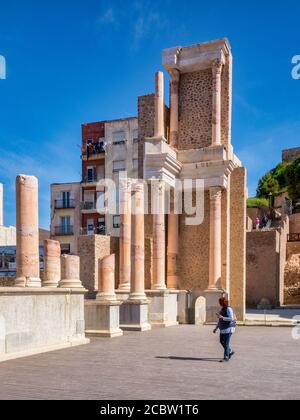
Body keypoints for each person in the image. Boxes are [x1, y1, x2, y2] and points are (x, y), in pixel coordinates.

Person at [213, 297, 236, 362]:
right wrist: (216, 328)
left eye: (220, 302)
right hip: (223, 328)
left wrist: (222, 317)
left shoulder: (229, 309)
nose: (219, 303)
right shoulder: (222, 309)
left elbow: (231, 318)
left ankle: (226, 357)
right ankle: (230, 351)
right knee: (221, 341)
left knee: (226, 343)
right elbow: (220, 320)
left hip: (229, 328)